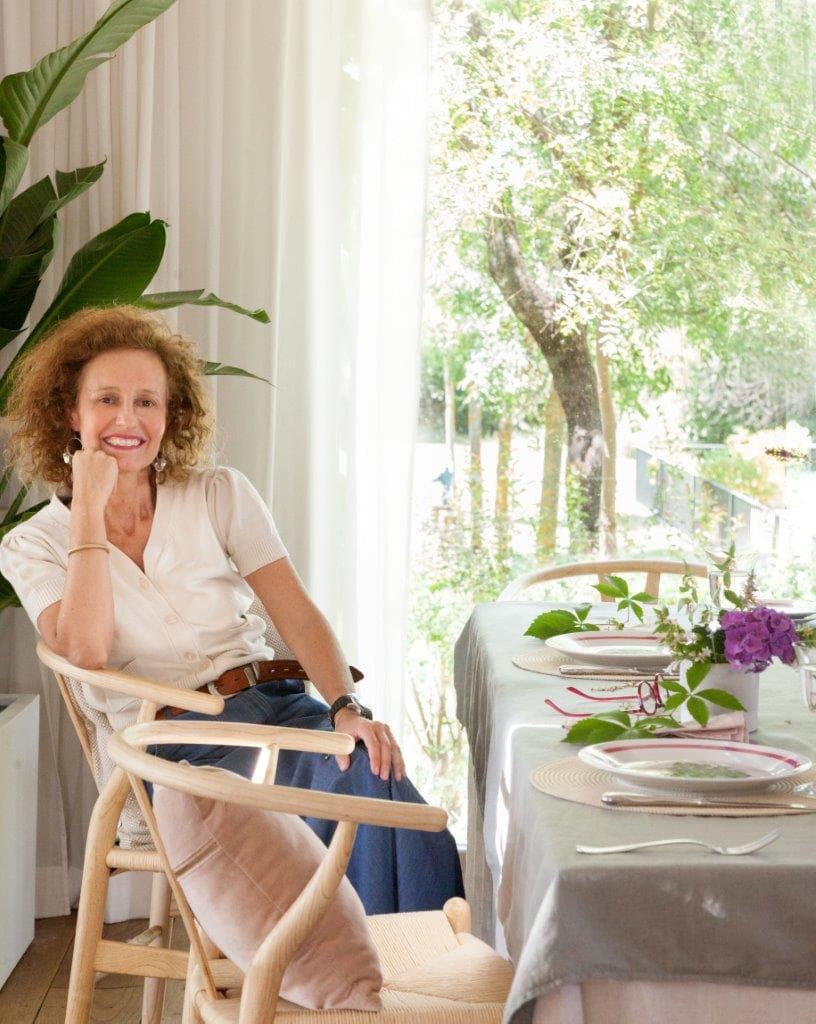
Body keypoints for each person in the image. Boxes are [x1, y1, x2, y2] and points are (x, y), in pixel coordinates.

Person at [0, 305, 463, 915]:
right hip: (175, 739)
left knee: (373, 767)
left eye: (147, 402)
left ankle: (412, 970)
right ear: (70, 413)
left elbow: (293, 610)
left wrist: (347, 709)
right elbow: (82, 650)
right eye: (107, 400)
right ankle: (372, 977)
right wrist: (87, 506)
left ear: (170, 415)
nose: (128, 419)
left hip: (277, 709)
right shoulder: (32, 542)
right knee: (353, 792)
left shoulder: (219, 493)